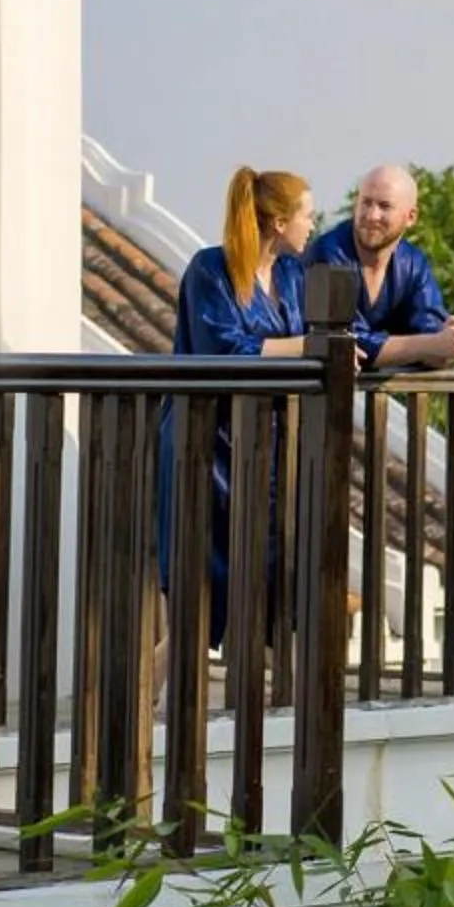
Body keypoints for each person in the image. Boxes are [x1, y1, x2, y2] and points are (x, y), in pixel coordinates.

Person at [157, 165, 316, 646]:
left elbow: (333, 328)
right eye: (307, 215)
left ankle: (261, 701)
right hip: (205, 446)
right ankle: (150, 704)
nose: (313, 224)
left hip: (263, 449)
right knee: (197, 594)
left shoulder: (291, 274)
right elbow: (224, 349)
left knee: (267, 580)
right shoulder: (211, 269)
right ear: (278, 223)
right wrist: (311, 346)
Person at [303, 164, 454, 369]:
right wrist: (432, 344)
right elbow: (348, 344)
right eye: (366, 203)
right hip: (315, 392)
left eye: (384, 206)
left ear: (411, 217)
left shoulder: (413, 263)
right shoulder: (327, 254)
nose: (371, 216)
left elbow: (431, 341)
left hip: (376, 391)